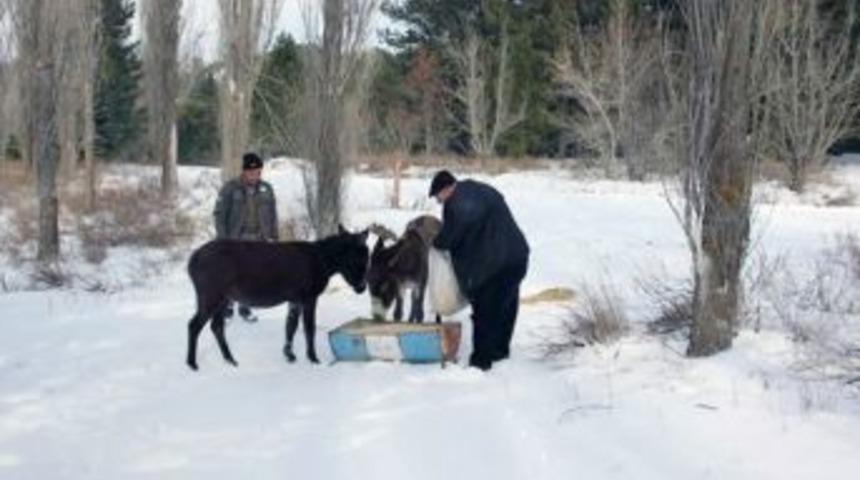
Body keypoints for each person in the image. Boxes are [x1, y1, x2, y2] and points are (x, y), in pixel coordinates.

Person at [429, 170, 529, 370]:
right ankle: (499, 350)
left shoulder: (456, 205)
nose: (440, 203)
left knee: (484, 311)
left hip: (491, 266)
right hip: (517, 256)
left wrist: (435, 242)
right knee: (507, 305)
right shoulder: (482, 189)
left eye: (438, 198)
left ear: (445, 189)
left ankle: (480, 362)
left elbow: (449, 238)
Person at [213, 152, 279, 322]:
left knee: (253, 275)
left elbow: (273, 216)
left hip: (259, 239)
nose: (254, 175)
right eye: (251, 172)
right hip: (236, 239)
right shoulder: (230, 188)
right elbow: (219, 215)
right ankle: (227, 306)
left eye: (257, 172)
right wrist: (223, 240)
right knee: (232, 274)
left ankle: (245, 307)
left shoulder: (267, 189)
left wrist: (274, 239)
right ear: (243, 171)